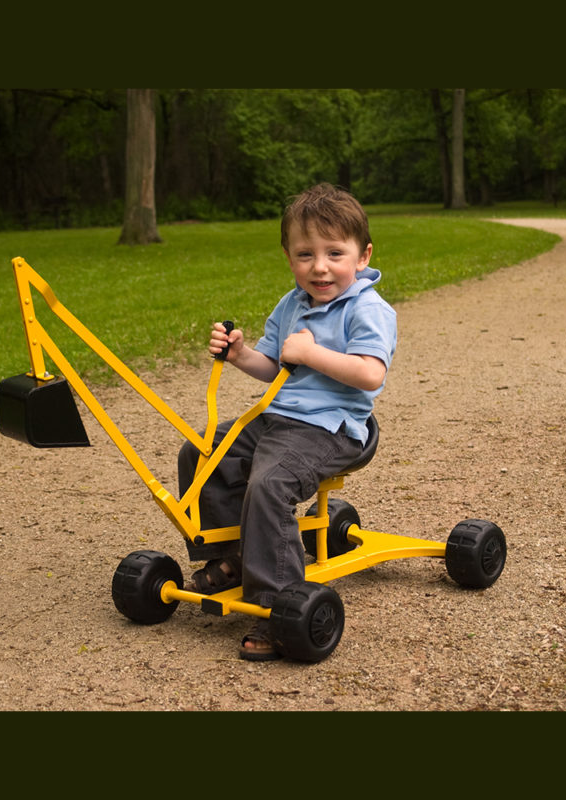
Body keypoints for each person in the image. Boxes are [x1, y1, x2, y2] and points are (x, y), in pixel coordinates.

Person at [177, 183, 397, 661]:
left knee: (269, 483)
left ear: (362, 256)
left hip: (331, 429)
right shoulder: (292, 303)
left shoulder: (369, 309)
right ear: (288, 256)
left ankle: (276, 607)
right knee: (200, 451)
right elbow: (276, 368)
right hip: (277, 418)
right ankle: (233, 556)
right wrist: (241, 355)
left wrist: (314, 353)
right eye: (305, 254)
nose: (320, 267)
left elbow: (370, 374)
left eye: (335, 252)